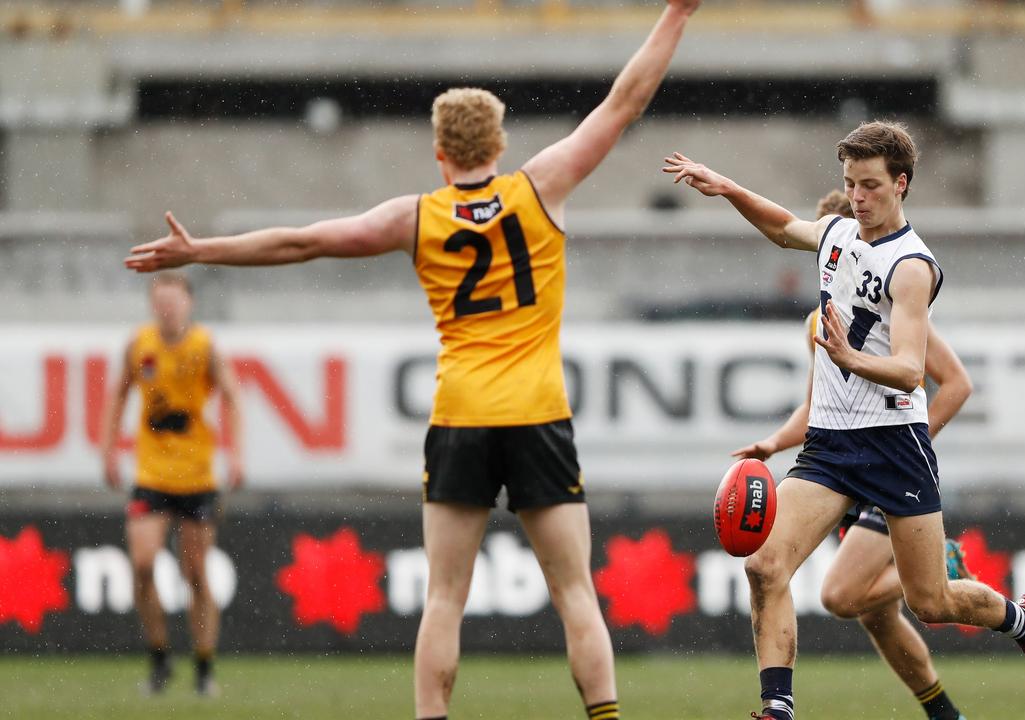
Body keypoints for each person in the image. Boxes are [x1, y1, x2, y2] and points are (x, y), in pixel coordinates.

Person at [123, 2, 701, 718]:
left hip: (460, 417)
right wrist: (677, 11)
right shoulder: (541, 186)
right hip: (537, 413)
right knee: (574, 590)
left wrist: (202, 250)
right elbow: (627, 99)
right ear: (500, 141)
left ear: (439, 152)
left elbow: (301, 243)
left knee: (445, 596)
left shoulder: (414, 218)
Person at [664, 120, 1025, 720]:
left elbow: (909, 371)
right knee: (765, 565)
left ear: (901, 184)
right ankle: (778, 707)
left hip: (894, 449)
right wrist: (729, 189)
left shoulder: (911, 266)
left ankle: (1023, 621)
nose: (857, 196)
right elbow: (781, 228)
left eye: (870, 185)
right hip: (829, 449)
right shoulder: (836, 235)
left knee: (931, 600)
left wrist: (851, 358)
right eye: (850, 183)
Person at [731, 189, 975, 720]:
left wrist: (908, 438)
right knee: (877, 616)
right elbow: (821, 401)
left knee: (844, 596)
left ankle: (945, 563)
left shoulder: (894, 292)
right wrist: (774, 443)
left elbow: (955, 384)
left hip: (893, 460)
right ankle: (945, 714)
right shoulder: (819, 321)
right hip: (840, 459)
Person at [100, 271, 244, 697]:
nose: (167, 308)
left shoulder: (205, 348)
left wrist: (235, 455)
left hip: (197, 475)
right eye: (160, 301)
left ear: (189, 303)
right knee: (142, 566)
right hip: (151, 474)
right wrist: (109, 451)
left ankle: (203, 666)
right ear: (152, 304)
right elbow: (117, 395)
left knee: (196, 574)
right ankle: (160, 656)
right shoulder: (139, 345)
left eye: (174, 300)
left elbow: (233, 396)